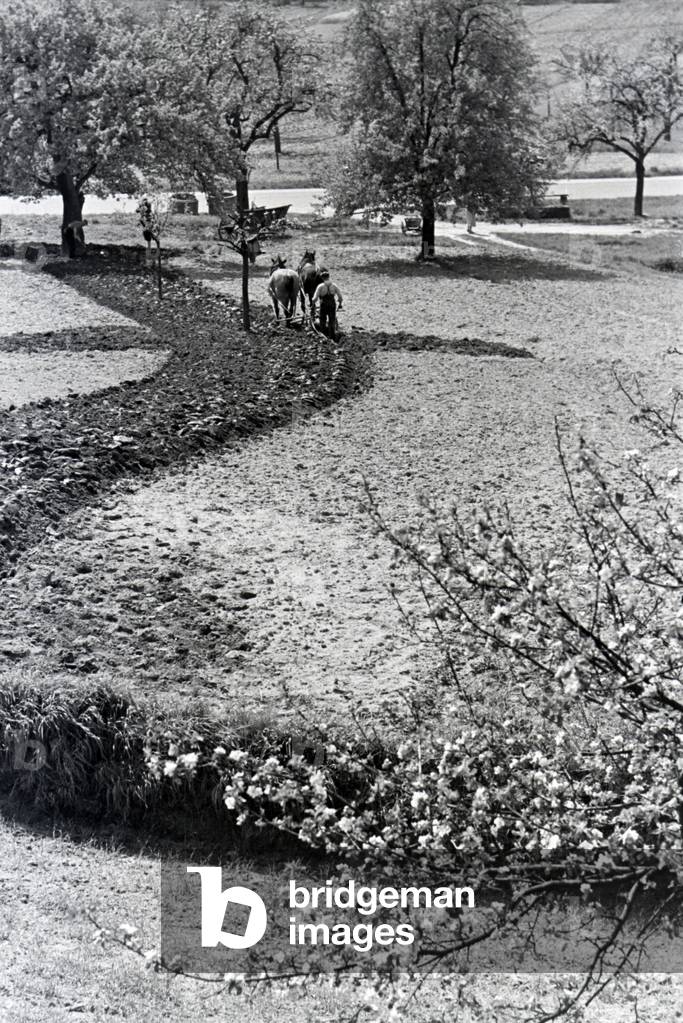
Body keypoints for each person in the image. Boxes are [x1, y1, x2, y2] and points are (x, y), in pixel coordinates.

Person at [312, 268, 343, 340]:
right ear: (328, 277)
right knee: (332, 319)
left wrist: (313, 304)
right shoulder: (334, 285)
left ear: (322, 278)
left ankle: (323, 334)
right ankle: (332, 334)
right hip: (332, 303)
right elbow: (340, 296)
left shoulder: (320, 286)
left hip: (324, 304)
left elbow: (315, 298)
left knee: (322, 318)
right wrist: (340, 304)